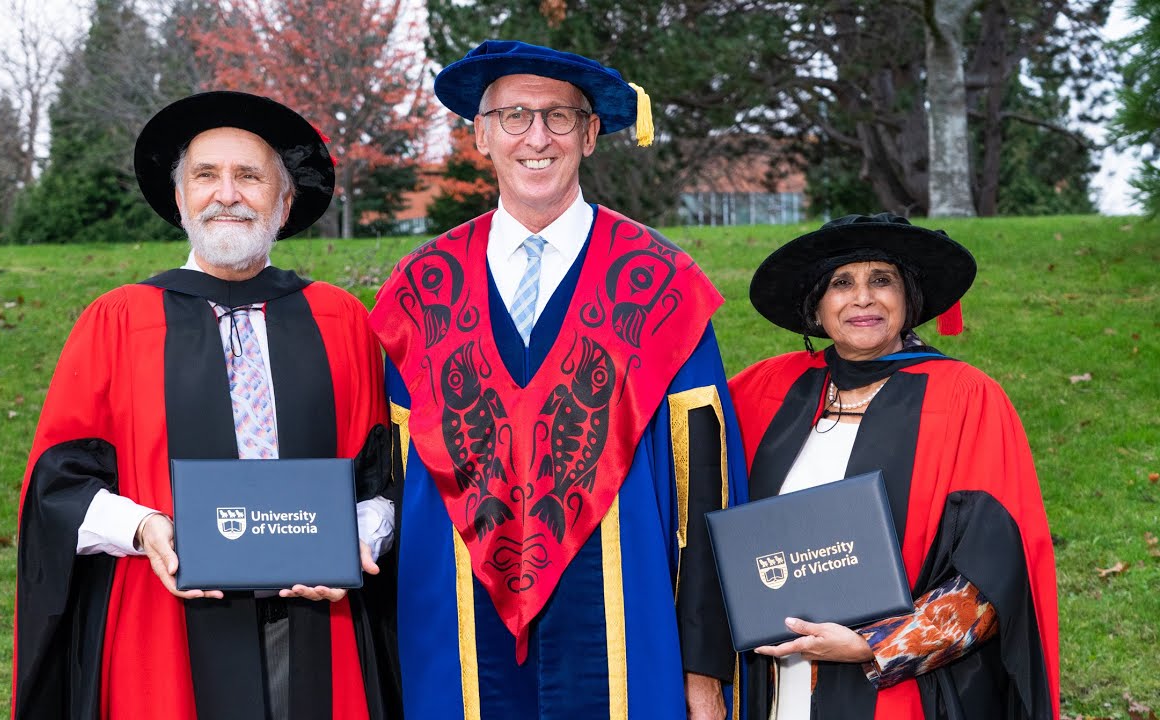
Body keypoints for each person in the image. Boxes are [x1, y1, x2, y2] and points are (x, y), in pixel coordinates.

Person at [369, 40, 748, 720]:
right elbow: (390, 490)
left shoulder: (661, 288)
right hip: (454, 644)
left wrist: (704, 667)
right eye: (513, 116)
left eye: (560, 117)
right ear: (480, 134)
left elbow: (706, 497)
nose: (536, 137)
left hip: (627, 642)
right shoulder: (421, 292)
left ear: (592, 133)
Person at [11, 91, 395, 720]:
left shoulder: (342, 321)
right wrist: (142, 529)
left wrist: (359, 535)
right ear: (180, 198)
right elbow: (57, 484)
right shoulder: (116, 322)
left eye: (249, 176)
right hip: (161, 619)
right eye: (206, 175)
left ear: (285, 200)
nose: (227, 193)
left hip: (320, 624)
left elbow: (382, 478)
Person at [727, 213, 1059, 719]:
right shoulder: (763, 391)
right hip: (773, 680)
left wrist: (876, 645)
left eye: (882, 280)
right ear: (817, 305)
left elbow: (997, 571)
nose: (863, 298)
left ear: (909, 299)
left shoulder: (966, 398)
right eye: (842, 283)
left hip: (906, 693)